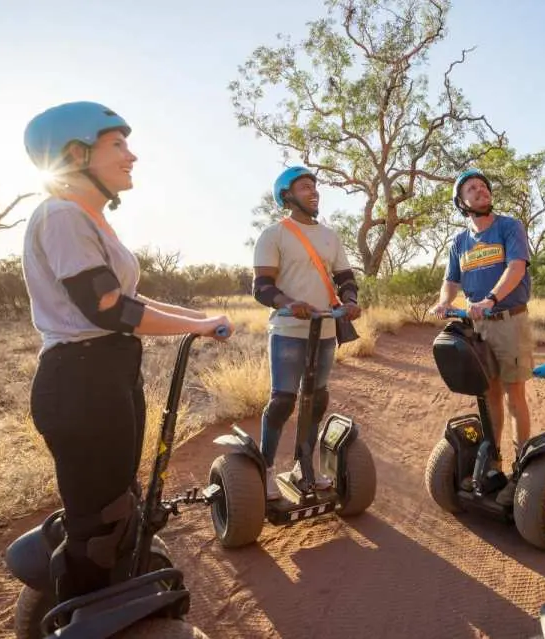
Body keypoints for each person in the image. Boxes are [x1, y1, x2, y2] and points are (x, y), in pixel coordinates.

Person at [21, 101, 233, 603]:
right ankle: (88, 609)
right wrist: (196, 324)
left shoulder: (86, 219)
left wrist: (198, 323)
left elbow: (128, 301)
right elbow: (107, 306)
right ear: (75, 154)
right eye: (117, 144)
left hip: (107, 373)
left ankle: (107, 592)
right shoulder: (61, 215)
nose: (131, 155)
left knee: (119, 500)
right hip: (80, 380)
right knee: (101, 518)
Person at [251, 166, 362, 499]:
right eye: (304, 187)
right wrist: (290, 303)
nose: (313, 191)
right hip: (288, 330)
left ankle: (304, 467)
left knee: (316, 400)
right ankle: (265, 469)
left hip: (326, 328)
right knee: (283, 400)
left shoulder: (330, 235)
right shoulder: (274, 234)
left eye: (314, 186)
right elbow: (261, 287)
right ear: (287, 196)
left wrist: (351, 300)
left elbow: (345, 278)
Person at [430, 168, 534, 506]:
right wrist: (445, 302)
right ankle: (494, 461)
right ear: (461, 202)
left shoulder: (509, 226)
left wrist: (490, 299)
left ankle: (522, 466)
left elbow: (516, 268)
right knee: (489, 394)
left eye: (483, 186)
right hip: (476, 326)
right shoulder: (460, 242)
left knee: (513, 394)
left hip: (507, 319)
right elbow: (451, 280)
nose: (480, 191)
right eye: (472, 189)